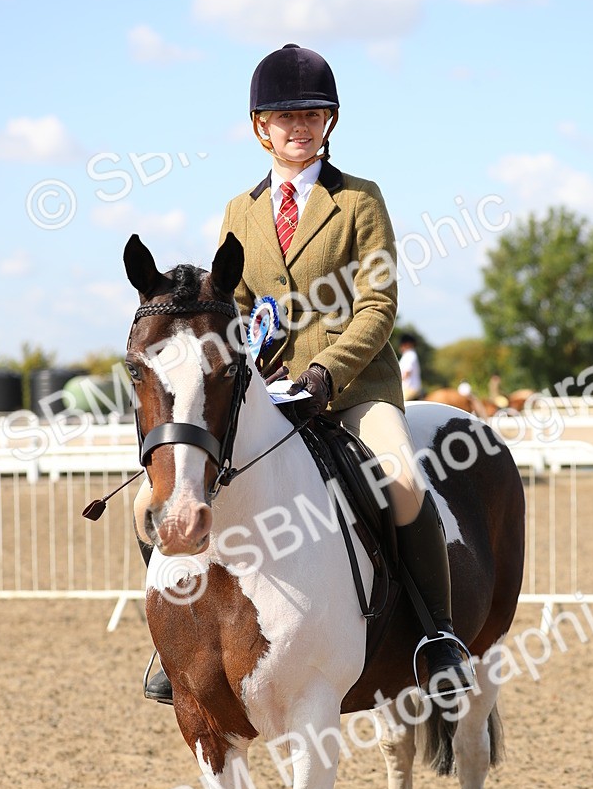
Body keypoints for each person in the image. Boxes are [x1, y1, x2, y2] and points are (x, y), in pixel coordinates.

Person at [141, 43, 473, 704]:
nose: (299, 128)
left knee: (403, 480)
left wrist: (326, 370)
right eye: (283, 117)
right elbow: (226, 308)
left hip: (351, 389)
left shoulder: (359, 201)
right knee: (167, 496)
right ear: (259, 126)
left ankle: (437, 634)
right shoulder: (240, 210)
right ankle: (172, 641)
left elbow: (378, 304)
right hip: (264, 395)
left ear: (330, 123)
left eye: (313, 116)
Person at [397, 333, 422, 402]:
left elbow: (407, 373)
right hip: (407, 388)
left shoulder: (410, 355)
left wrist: (395, 381)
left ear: (407, 344)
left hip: (410, 389)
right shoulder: (407, 355)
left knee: (399, 404)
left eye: (402, 344)